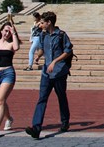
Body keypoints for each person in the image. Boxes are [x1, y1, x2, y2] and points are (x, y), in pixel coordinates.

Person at [25, 11, 73, 139]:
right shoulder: (42, 35)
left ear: (49, 22)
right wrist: (38, 56)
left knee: (61, 97)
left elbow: (68, 51)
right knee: (42, 98)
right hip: (46, 72)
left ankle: (65, 122)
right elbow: (42, 48)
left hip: (59, 72)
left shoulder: (61, 35)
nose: (41, 24)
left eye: (43, 22)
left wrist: (55, 61)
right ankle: (36, 127)